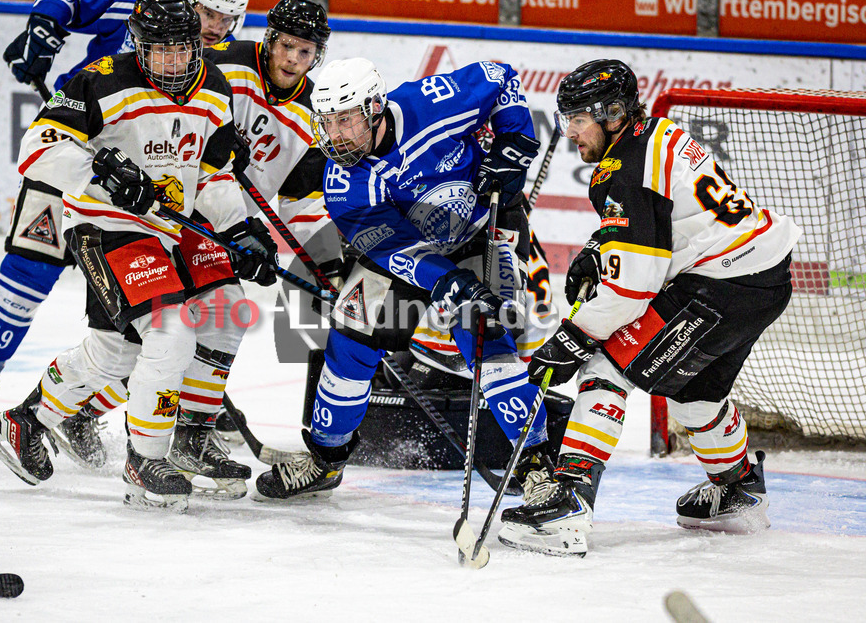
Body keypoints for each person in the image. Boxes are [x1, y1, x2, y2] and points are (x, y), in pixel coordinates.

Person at [0, 0, 269, 513]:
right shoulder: (100, 79)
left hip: (164, 231)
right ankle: (145, 461)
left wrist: (239, 229)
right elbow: (35, 150)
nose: (173, 61)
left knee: (127, 347)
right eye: (160, 50)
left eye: (182, 49)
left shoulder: (215, 89)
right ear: (139, 46)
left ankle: (28, 421)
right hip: (103, 225)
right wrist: (101, 172)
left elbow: (212, 174)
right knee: (171, 330)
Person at [497, 59, 802, 556]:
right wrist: (600, 246)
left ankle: (568, 504)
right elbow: (666, 223)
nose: (570, 131)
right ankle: (738, 490)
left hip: (720, 284)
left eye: (580, 119)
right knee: (696, 395)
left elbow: (631, 291)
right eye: (567, 118)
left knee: (606, 365)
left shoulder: (625, 169)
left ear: (614, 114)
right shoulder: (658, 133)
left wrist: (573, 338)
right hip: (765, 278)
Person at [73, 0, 339, 499]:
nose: (292, 59)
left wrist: (321, 264)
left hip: (229, 227)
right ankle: (92, 416)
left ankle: (187, 434)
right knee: (156, 338)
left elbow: (302, 201)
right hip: (169, 218)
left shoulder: (311, 113)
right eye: (285, 45)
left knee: (215, 323)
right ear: (269, 39)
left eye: (305, 52)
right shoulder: (223, 65)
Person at [253, 57, 550, 501]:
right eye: (327, 122)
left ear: (374, 108)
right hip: (414, 251)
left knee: (487, 338)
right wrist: (445, 280)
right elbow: (393, 250)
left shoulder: (431, 103)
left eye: (346, 120)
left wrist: (514, 142)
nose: (335, 135)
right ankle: (326, 460)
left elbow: (501, 76)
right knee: (351, 334)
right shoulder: (343, 182)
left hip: (483, 230)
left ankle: (538, 469)